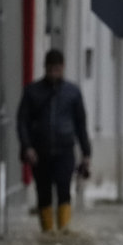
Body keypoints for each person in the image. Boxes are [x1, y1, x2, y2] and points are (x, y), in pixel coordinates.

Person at [17, 49, 92, 233]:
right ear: (45, 68)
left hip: (64, 150)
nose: (53, 74)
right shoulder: (32, 92)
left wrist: (86, 153)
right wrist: (27, 147)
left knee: (64, 189)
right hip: (40, 151)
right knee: (43, 192)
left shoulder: (72, 93)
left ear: (63, 68)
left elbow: (81, 124)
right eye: (50, 70)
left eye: (57, 70)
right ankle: (48, 232)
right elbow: (22, 122)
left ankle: (64, 230)